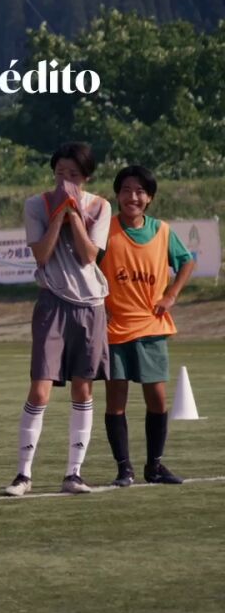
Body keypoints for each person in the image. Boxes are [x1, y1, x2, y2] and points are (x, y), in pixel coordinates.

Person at [6, 141, 113, 497]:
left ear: (86, 177)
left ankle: (74, 473)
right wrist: (58, 214)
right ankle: (23, 475)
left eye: (73, 175)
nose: (65, 180)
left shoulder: (100, 206)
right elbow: (41, 254)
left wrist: (74, 215)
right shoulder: (36, 204)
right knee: (40, 388)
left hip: (91, 304)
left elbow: (88, 256)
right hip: (52, 301)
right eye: (60, 173)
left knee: (83, 387)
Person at [99, 164, 195, 486]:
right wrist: (99, 307)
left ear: (149, 198)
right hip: (114, 330)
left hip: (152, 327)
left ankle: (154, 466)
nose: (133, 197)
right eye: (126, 190)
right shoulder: (105, 230)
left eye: (140, 191)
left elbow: (187, 261)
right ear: (117, 195)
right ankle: (123, 468)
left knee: (157, 399)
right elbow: (88, 267)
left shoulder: (162, 230)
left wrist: (171, 295)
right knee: (116, 401)